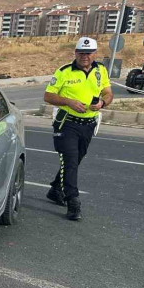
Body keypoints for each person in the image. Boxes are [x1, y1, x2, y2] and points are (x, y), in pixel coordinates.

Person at [43, 37, 113, 221]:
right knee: (71, 160)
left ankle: (56, 189)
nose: (85, 57)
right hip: (67, 123)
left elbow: (108, 92)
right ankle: (73, 202)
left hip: (89, 124)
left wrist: (103, 103)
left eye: (89, 53)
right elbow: (48, 96)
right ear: (75, 52)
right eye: (81, 53)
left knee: (75, 160)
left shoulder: (101, 70)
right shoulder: (64, 72)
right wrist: (69, 102)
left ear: (95, 54)